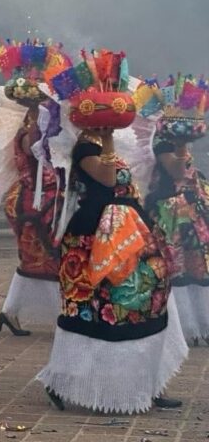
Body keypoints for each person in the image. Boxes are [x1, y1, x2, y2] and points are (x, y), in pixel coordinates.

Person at [38, 127, 186, 413]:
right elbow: (106, 179)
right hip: (93, 240)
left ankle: (149, 386)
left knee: (146, 307)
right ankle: (64, 382)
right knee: (96, 311)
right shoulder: (84, 148)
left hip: (132, 234)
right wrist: (106, 138)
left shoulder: (110, 146)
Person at [0, 104, 61, 336]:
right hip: (32, 201)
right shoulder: (28, 134)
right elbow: (39, 155)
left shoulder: (41, 129)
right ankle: (60, 316)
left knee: (36, 260)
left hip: (43, 200)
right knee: (44, 258)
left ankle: (10, 311)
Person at [145, 123, 209, 344]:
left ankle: (203, 326)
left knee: (198, 267)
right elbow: (177, 171)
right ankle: (187, 328)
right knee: (178, 268)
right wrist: (182, 146)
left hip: (192, 211)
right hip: (172, 214)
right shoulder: (161, 142)